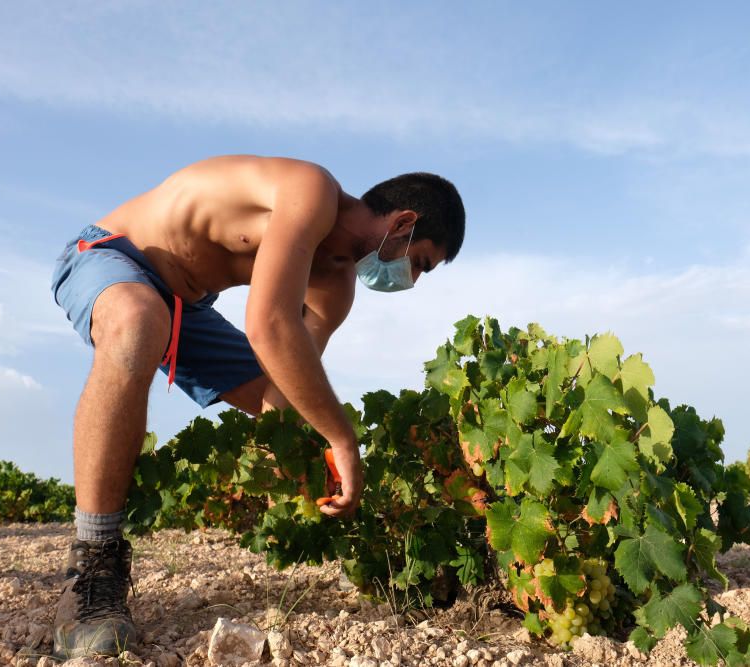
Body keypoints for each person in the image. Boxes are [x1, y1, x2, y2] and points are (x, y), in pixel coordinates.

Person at [48, 155, 465, 658]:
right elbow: (267, 324)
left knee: (302, 400)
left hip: (185, 307)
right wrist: (343, 437)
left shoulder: (335, 291)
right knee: (138, 323)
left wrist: (287, 466)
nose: (410, 281)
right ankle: (94, 561)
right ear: (401, 223)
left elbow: (282, 396)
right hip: (117, 257)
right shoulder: (311, 190)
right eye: (417, 262)